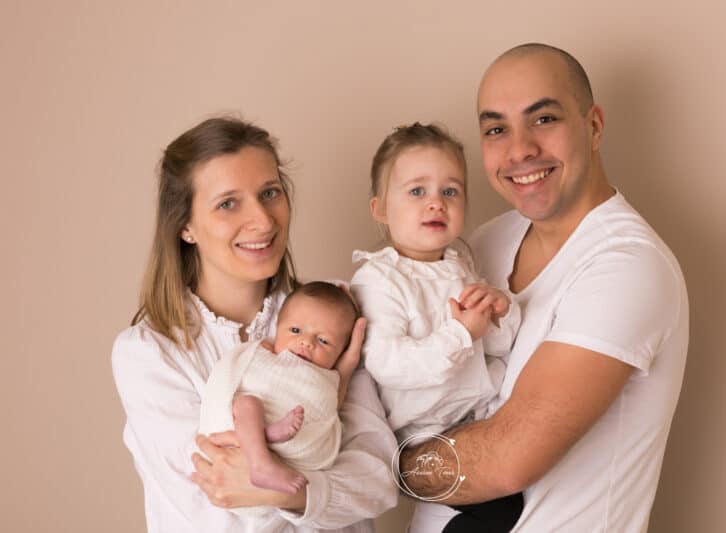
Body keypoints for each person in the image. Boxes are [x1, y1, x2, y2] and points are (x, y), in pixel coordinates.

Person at [399, 44, 690, 532]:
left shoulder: (627, 265)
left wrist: (368, 465)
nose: (519, 150)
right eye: (496, 129)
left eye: (544, 119)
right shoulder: (485, 244)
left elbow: (505, 459)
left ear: (593, 126)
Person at [111, 117, 397, 533]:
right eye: (228, 203)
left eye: (269, 193)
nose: (263, 220)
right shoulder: (148, 354)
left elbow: (380, 480)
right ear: (185, 226)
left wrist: (282, 488)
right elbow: (218, 516)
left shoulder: (332, 315)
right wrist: (320, 484)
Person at [350, 123, 523, 533]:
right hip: (422, 432)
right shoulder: (378, 280)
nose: (436, 204)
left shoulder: (460, 264)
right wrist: (460, 335)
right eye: (416, 192)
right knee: (498, 508)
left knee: (521, 492)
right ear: (380, 209)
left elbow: (493, 345)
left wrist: (500, 311)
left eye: (450, 191)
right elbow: (390, 364)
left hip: (476, 414)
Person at [198, 281, 359, 501]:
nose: (306, 342)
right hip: (237, 431)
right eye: (295, 330)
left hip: (292, 445)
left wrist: (346, 370)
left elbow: (326, 409)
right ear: (277, 328)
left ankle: (267, 437)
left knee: (253, 409)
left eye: (323, 340)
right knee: (247, 404)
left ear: (340, 352)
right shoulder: (263, 353)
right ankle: (261, 461)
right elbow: (235, 375)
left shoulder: (329, 379)